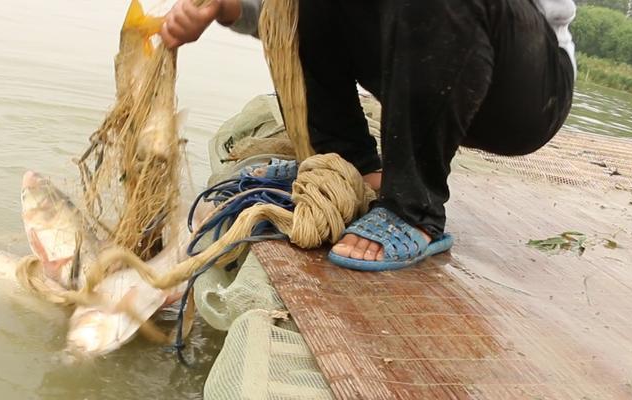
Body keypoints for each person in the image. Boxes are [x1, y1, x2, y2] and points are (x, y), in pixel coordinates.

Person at [162, 0, 576, 271]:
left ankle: (415, 210)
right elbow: (281, 12)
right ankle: (348, 167)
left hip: (523, 92)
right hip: (421, 63)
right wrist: (225, 6)